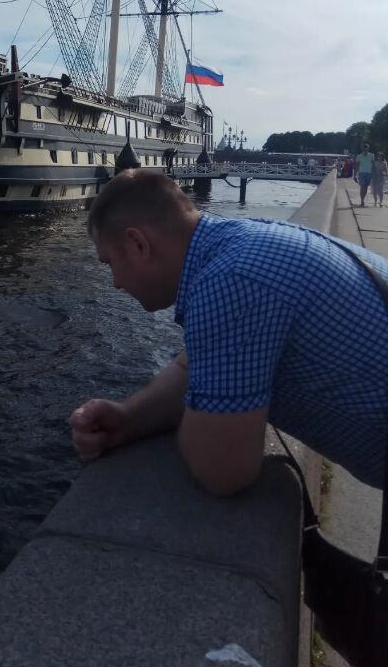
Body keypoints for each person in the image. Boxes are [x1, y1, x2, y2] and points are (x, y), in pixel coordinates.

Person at [69, 170, 388, 497]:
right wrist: (128, 419)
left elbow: (221, 469)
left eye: (110, 263)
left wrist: (202, 423)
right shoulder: (241, 243)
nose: (115, 283)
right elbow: (193, 370)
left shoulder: (228, 282)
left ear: (138, 244)